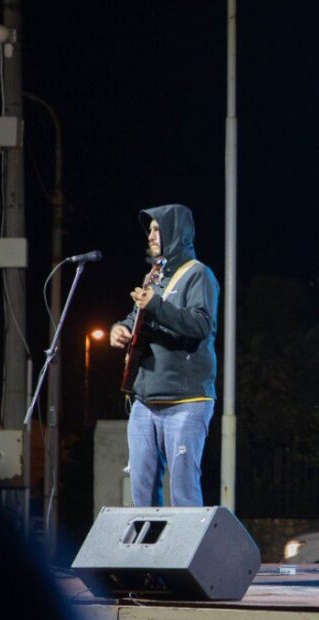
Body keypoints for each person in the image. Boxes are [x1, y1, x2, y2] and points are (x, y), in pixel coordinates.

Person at [110, 204, 219, 507]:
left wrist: (156, 305)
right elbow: (135, 320)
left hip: (186, 402)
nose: (152, 235)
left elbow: (201, 324)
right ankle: (148, 554)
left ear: (177, 232)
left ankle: (190, 556)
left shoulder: (199, 275)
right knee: (141, 493)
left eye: (159, 229)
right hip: (145, 403)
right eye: (151, 229)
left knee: (183, 493)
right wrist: (119, 329)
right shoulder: (154, 277)